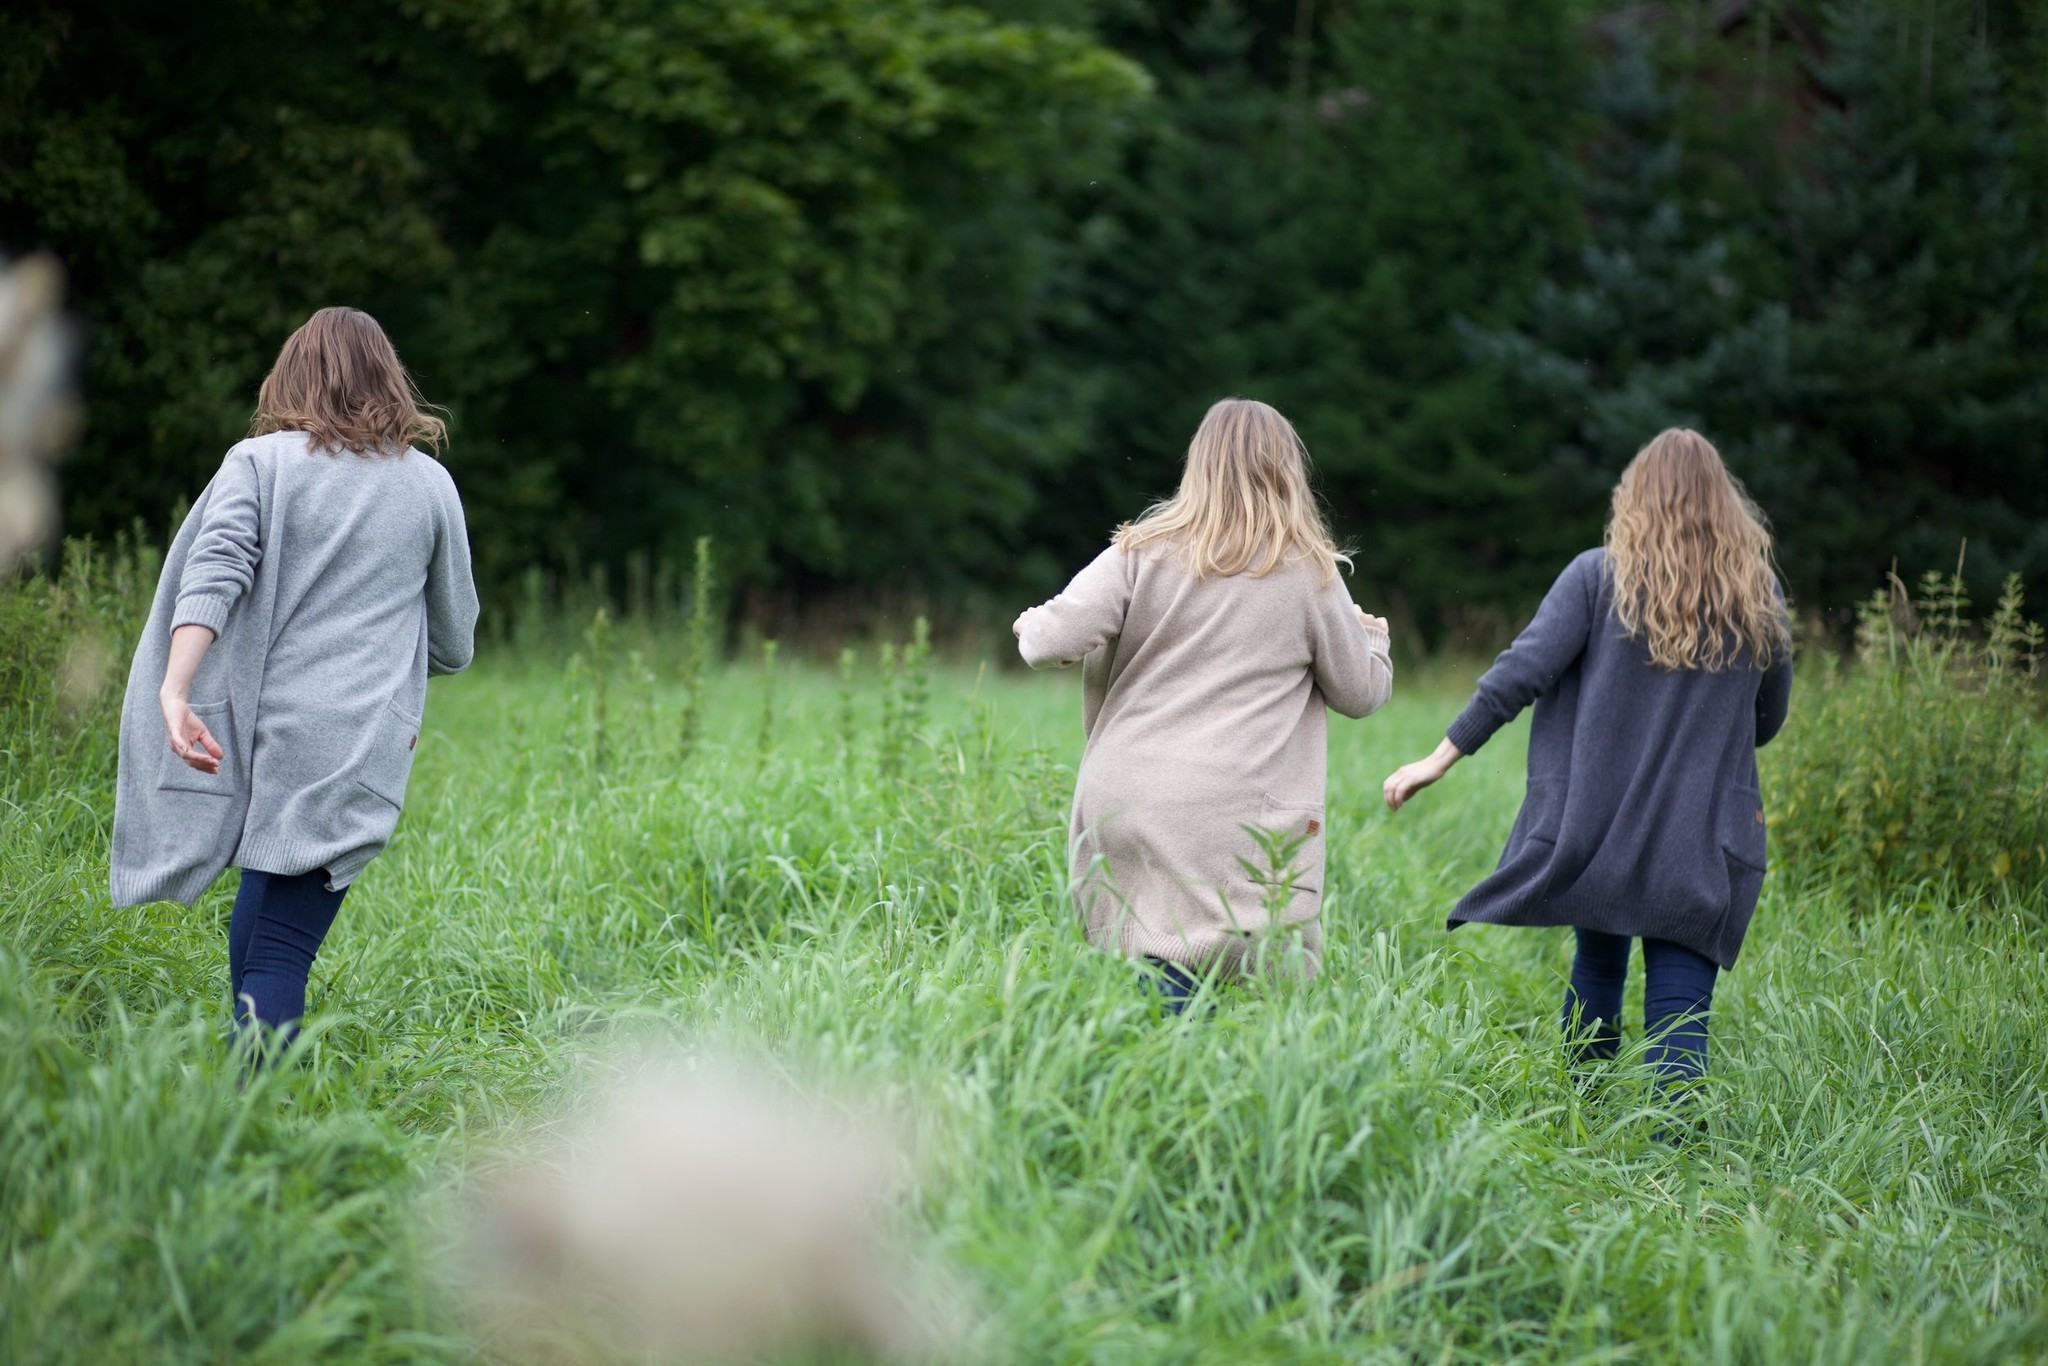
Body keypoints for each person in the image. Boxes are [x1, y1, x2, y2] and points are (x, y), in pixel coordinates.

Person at [1381, 428, 1791, 1096]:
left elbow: (1520, 674)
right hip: (1702, 837)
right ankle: (1678, 1165)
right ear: (1724, 503)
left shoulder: (1595, 579)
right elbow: (1767, 719)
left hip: (1602, 829)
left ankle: (1587, 1121)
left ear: (1635, 498)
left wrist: (1439, 757)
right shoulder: (1758, 594)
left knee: (1598, 970)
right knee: (1681, 1005)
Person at [112, 306, 479, 1040]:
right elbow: (454, 642)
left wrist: (176, 688)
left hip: (265, 736)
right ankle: (256, 1118)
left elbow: (214, 574)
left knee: (267, 946)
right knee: (266, 944)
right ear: (390, 379)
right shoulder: (431, 487)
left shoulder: (257, 465)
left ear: (292, 377)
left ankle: (253, 1126)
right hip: (360, 746)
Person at [1015, 398, 1393, 1007]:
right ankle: (1203, 1082)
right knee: (1236, 976)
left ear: (1198, 465)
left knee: (1150, 954)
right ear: (1287, 471)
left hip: (1123, 794)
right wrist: (1374, 641)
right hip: (1231, 804)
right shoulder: (1308, 573)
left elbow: (1047, 642)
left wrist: (1031, 622)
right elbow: (1358, 692)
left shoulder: (1138, 550)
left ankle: (1140, 1074)